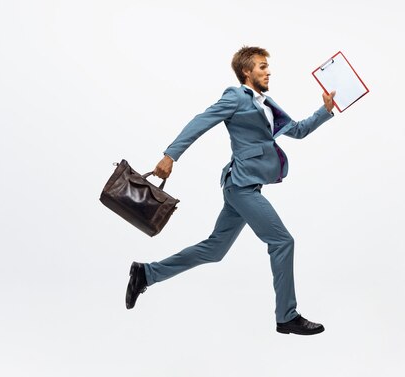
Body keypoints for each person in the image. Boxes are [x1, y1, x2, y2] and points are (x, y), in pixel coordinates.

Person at [125, 46, 335, 335]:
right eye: (262, 67)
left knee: (214, 249)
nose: (268, 71)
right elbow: (201, 121)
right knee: (282, 241)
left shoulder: (266, 103)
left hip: (245, 186)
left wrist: (324, 111)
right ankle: (287, 316)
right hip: (242, 187)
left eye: (267, 66)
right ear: (247, 72)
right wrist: (170, 155)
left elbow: (297, 130)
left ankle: (146, 273)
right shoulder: (235, 96)